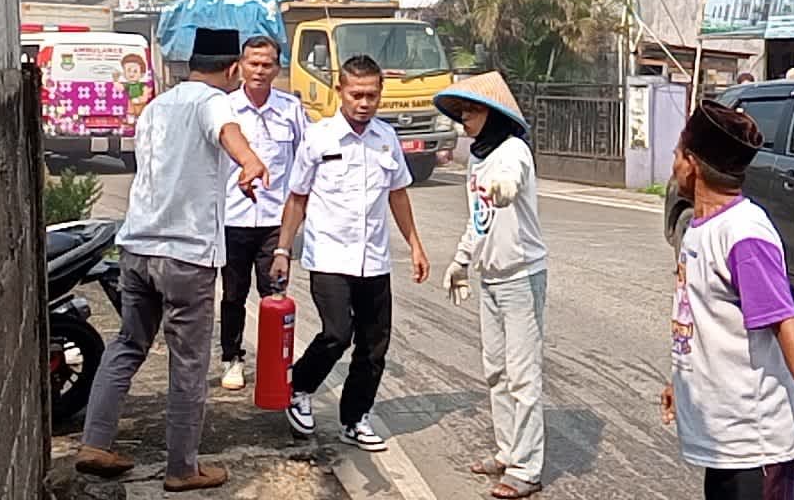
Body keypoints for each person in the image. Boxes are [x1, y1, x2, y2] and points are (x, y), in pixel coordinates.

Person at [75, 28, 270, 492]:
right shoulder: (214, 101)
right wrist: (249, 161)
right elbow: (227, 131)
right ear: (233, 69)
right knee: (188, 362)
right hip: (186, 255)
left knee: (128, 342)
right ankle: (182, 468)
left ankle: (94, 442)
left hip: (138, 248)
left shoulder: (156, 106)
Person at [662, 100, 794, 500]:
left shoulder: (744, 235)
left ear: (693, 165)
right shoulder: (700, 228)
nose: (673, 164)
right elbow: (705, 321)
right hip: (725, 441)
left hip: (757, 447)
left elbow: (786, 324)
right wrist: (681, 379)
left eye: (678, 154)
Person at [270, 54, 431, 452]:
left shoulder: (386, 138)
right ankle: (299, 387)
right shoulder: (319, 138)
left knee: (374, 344)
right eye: (356, 94)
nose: (363, 103)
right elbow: (297, 198)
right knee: (337, 333)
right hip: (329, 255)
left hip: (373, 258)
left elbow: (398, 194)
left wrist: (415, 244)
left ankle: (355, 418)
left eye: (371, 95)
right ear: (339, 91)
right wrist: (282, 249)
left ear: (380, 94)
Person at [433, 71, 548, 500]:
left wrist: (505, 189)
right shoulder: (477, 159)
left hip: (521, 276)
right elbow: (480, 219)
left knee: (522, 375)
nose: (464, 118)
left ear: (494, 115)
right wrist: (461, 261)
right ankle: (508, 450)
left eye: (472, 111)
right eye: (462, 111)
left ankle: (526, 468)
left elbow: (510, 183)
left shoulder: (513, 150)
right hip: (491, 277)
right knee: (496, 370)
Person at [219, 36, 309, 391]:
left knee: (274, 294)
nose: (259, 70)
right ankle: (232, 358)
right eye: (253, 63)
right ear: (240, 66)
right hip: (232, 218)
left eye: (267, 64)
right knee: (233, 294)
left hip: (276, 221)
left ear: (277, 68)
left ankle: (275, 364)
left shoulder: (291, 109)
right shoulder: (224, 108)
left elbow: (306, 159)